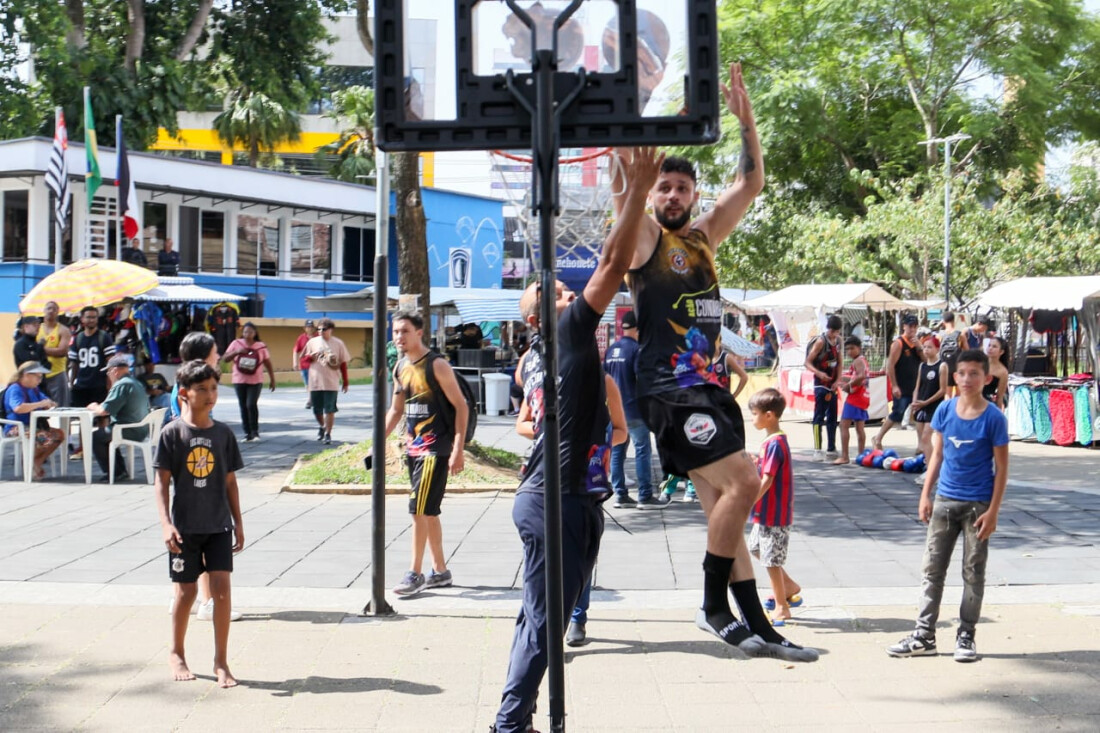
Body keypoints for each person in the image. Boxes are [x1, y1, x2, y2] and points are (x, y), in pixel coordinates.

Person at [612, 63, 815, 661]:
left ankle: (759, 626)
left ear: (694, 195)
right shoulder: (644, 237)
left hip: (709, 388)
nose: (672, 195)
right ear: (655, 195)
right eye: (664, 188)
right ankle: (710, 605)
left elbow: (751, 185)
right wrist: (638, 113)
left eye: (682, 189)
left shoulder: (703, 237)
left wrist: (746, 122)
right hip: (670, 389)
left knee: (723, 506)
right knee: (747, 482)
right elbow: (625, 187)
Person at [494, 147, 662, 733]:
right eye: (561, 294)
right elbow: (614, 266)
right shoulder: (566, 332)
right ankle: (510, 723)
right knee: (544, 622)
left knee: (538, 617)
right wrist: (636, 189)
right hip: (554, 501)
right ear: (544, 314)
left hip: (567, 499)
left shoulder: (545, 349)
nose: (572, 295)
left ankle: (517, 717)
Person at [886, 349, 1009, 663]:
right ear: (954, 377)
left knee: (973, 572)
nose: (967, 379)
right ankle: (924, 635)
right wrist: (925, 494)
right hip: (944, 500)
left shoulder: (994, 417)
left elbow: (1002, 469)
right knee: (932, 571)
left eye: (974, 374)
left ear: (986, 378)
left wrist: (993, 511)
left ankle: (966, 635)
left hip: (977, 505)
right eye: (962, 373)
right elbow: (936, 457)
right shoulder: (944, 410)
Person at [155, 359, 245, 687]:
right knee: (186, 591)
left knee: (221, 591)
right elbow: (161, 483)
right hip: (185, 528)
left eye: (214, 388)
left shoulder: (223, 434)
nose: (210, 395)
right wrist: (166, 524)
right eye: (202, 389)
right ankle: (176, 651)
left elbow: (231, 482)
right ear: (184, 393)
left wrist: (238, 521)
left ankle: (221, 660)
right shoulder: (173, 434)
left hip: (218, 525)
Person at [376, 311, 467, 597]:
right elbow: (396, 410)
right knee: (428, 512)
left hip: (435, 449)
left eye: (404, 331)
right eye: (395, 332)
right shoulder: (400, 367)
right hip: (413, 449)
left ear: (419, 332)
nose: (399, 337)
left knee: (418, 511)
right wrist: (377, 441)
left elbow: (462, 407)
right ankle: (440, 571)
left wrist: (458, 449)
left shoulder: (437, 365)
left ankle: (414, 573)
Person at [566, 373, 628, 647]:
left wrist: (599, 444)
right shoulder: (548, 376)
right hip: (551, 480)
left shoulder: (604, 382)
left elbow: (621, 430)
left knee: (582, 557)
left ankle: (578, 618)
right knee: (548, 560)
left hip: (590, 483)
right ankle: (553, 621)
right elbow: (523, 423)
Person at [747, 388, 804, 625]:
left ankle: (782, 606)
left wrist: (749, 500)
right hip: (765, 513)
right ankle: (788, 586)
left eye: (754, 414)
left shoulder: (775, 444)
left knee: (771, 560)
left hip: (774, 514)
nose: (752, 418)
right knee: (755, 548)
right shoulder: (772, 441)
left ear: (769, 415)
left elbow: (768, 479)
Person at [603, 310, 656, 508]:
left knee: (617, 451)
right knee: (642, 450)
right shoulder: (638, 350)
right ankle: (645, 495)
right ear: (638, 329)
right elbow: (641, 380)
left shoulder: (611, 350)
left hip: (613, 410)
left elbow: (604, 379)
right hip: (634, 409)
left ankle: (620, 494)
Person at [86, 355, 150, 482]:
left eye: (108, 372)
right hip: (142, 428)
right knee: (106, 435)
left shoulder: (122, 385)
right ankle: (120, 471)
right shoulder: (136, 383)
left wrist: (93, 406)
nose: (108, 375)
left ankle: (114, 472)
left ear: (115, 371)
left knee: (96, 437)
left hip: (128, 429)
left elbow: (104, 410)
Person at [2, 362, 65, 480]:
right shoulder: (15, 388)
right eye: (38, 377)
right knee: (45, 438)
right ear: (26, 375)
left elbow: (47, 400)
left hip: (34, 426)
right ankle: (28, 462)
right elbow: (18, 408)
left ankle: (35, 462)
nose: (40, 380)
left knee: (59, 434)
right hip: (16, 427)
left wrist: (49, 404)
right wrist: (40, 404)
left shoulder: (34, 389)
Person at [68, 306, 116, 458]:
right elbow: (74, 363)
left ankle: (106, 447)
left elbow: (110, 362)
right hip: (81, 385)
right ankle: (84, 448)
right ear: (82, 320)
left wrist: (111, 384)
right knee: (83, 418)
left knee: (103, 417)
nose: (91, 320)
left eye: (94, 317)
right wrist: (71, 382)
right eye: (88, 317)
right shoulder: (78, 338)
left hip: (99, 384)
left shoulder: (104, 337)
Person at [873, 314, 922, 452]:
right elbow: (890, 365)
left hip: (916, 386)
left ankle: (920, 445)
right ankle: (878, 438)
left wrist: (919, 347)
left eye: (914, 326)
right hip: (902, 385)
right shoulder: (899, 343)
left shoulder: (917, 344)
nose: (912, 329)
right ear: (904, 326)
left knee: (919, 415)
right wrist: (894, 385)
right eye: (909, 326)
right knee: (897, 414)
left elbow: (925, 360)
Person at [222, 322, 276, 442]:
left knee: (251, 404)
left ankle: (255, 432)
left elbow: (268, 363)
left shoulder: (261, 346)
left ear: (255, 333)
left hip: (256, 380)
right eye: (245, 332)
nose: (248, 334)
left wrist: (272, 379)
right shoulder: (236, 344)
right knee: (243, 406)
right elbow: (225, 358)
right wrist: (237, 352)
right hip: (239, 379)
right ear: (243, 333)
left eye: (250, 332)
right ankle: (247, 433)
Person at [305, 318, 350, 445]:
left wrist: (345, 381)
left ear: (331, 330)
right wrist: (312, 356)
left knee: (330, 409)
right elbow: (303, 360)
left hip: (331, 381)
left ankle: (328, 433)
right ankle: (322, 425)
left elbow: (343, 363)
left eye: (324, 329)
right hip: (315, 380)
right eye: (318, 329)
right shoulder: (312, 342)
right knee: (317, 409)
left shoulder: (338, 343)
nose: (320, 331)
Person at [804, 314, 843, 461]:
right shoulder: (821, 342)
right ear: (829, 330)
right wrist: (819, 373)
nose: (835, 335)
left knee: (833, 417)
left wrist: (838, 380)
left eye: (837, 332)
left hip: (832, 383)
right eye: (833, 332)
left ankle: (831, 447)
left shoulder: (838, 341)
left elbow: (840, 363)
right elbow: (807, 362)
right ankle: (817, 448)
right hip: (821, 383)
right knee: (819, 416)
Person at [834, 336, 870, 465]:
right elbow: (858, 377)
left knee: (844, 425)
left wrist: (848, 385)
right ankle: (861, 455)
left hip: (855, 398)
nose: (849, 351)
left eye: (852, 348)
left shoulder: (857, 362)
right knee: (860, 428)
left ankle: (845, 456)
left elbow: (861, 376)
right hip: (864, 398)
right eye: (847, 349)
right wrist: (843, 379)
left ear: (859, 348)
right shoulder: (863, 360)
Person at [912, 335, 948, 459]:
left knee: (926, 436)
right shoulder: (922, 366)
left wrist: (926, 402)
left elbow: (942, 390)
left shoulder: (942, 366)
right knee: (922, 440)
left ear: (937, 349)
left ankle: (932, 468)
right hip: (920, 405)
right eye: (925, 347)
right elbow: (917, 386)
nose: (926, 350)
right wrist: (914, 402)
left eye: (930, 347)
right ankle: (928, 463)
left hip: (933, 406)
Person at [37, 301, 72, 407]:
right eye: (49, 308)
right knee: (37, 406)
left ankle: (64, 424)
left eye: (54, 309)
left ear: (58, 312)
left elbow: (62, 351)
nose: (51, 311)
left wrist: (40, 349)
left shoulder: (63, 330)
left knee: (62, 407)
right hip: (37, 373)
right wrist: (51, 350)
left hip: (57, 373)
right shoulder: (37, 328)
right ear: (43, 311)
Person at [292, 320, 318, 409]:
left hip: (316, 365)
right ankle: (312, 399)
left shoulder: (318, 337)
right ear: (305, 328)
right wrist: (295, 363)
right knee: (307, 384)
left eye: (311, 327)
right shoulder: (301, 338)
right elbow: (295, 350)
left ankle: (311, 400)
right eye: (308, 327)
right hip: (304, 365)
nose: (310, 329)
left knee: (315, 383)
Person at [983, 336, 1010, 410]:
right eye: (989, 345)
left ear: (1001, 352)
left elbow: (1000, 396)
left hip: (988, 405)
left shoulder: (1003, 372)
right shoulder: (980, 363)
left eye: (994, 346)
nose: (990, 348)